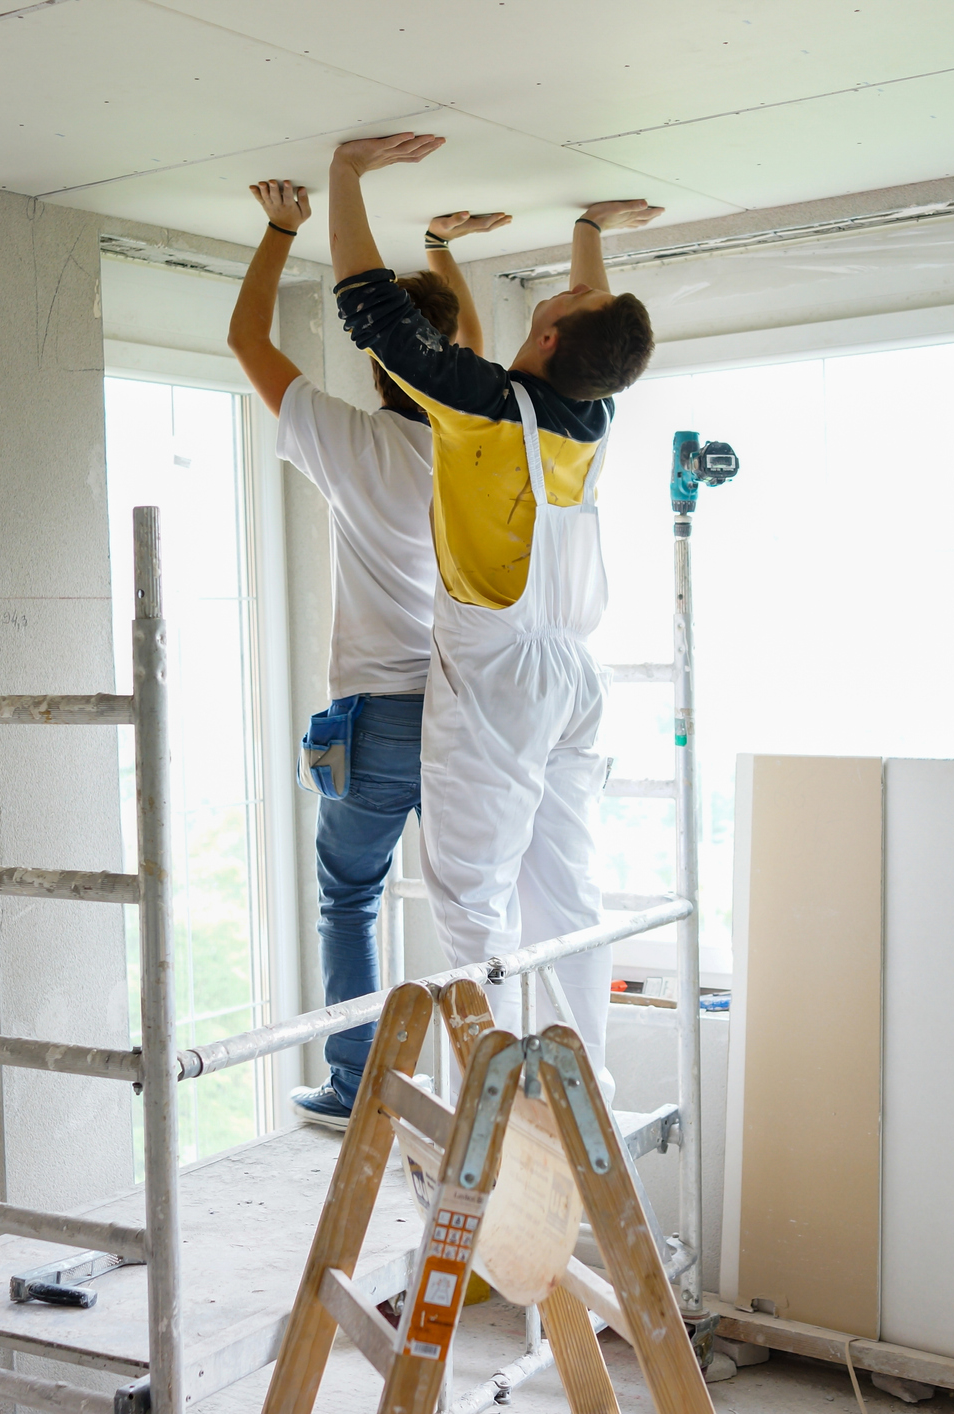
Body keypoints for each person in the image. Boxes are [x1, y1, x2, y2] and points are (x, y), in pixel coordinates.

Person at [324, 132, 660, 1095]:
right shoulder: (591, 411)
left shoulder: (481, 405)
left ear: (547, 338)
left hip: (501, 674)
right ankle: (574, 1093)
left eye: (554, 298)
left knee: (471, 905)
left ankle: (493, 1113)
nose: (553, 292)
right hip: (572, 678)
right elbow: (594, 327)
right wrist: (588, 230)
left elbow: (369, 309)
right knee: (568, 899)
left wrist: (344, 173)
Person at [225, 175, 510, 1129]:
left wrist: (280, 229)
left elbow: (247, 345)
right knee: (476, 908)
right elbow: (461, 347)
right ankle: (489, 1088)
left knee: (350, 899)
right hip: (473, 715)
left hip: (381, 723)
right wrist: (438, 252)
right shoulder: (485, 446)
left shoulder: (352, 442)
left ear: (379, 366)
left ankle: (356, 1087)